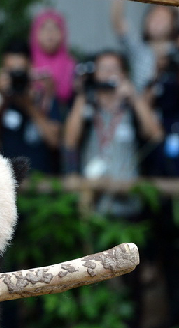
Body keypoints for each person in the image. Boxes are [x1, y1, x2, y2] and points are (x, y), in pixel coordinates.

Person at [63, 50, 163, 215]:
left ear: (123, 73)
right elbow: (69, 141)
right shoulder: (87, 105)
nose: (108, 73)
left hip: (130, 204)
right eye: (103, 68)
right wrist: (83, 94)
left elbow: (156, 136)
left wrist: (135, 98)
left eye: (114, 68)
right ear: (95, 73)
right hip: (93, 205)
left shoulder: (132, 107)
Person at [0, 41, 62, 174]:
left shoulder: (44, 98)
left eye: (20, 71)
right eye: (11, 72)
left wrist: (30, 106)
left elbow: (54, 141)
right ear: (2, 71)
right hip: (5, 180)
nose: (16, 77)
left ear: (31, 69)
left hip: (41, 180)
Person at [111, 0, 178, 91]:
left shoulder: (175, 49)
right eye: (153, 17)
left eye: (162, 18)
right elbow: (118, 24)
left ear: (172, 24)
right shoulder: (139, 48)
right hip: (140, 101)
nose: (156, 22)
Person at [30, 9, 76, 105]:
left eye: (55, 28)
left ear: (63, 33)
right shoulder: (27, 63)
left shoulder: (72, 66)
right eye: (44, 28)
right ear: (35, 33)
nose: (49, 33)